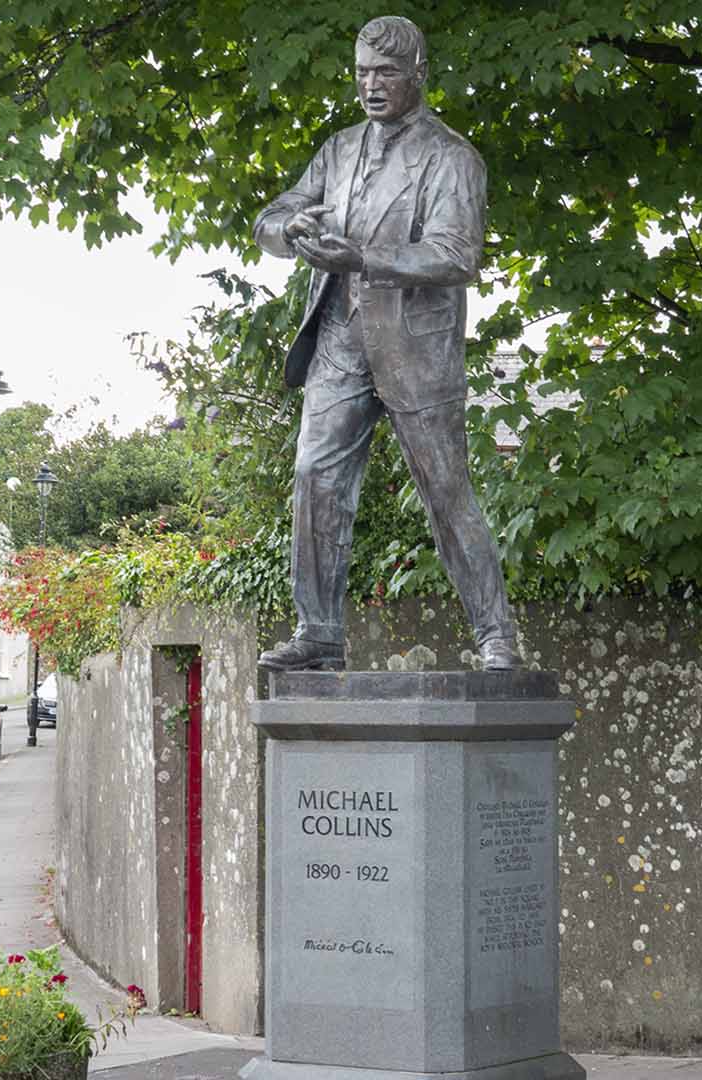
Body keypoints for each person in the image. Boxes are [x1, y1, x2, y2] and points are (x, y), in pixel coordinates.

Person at [251, 15, 520, 674]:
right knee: (315, 477)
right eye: (363, 72)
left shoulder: (451, 157)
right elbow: (270, 218)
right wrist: (292, 230)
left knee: (445, 491)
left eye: (386, 73)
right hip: (340, 339)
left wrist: (362, 256)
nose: (371, 85)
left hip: (412, 345)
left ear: (418, 74)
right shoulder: (337, 150)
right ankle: (318, 629)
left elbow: (456, 255)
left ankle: (496, 636)